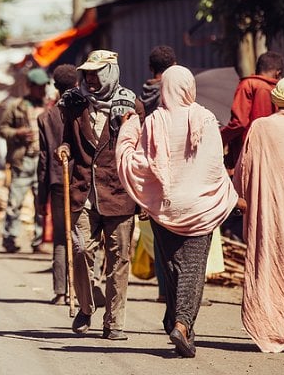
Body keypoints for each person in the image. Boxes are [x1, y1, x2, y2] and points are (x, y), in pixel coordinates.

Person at [116, 65, 239, 357]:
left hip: (166, 206)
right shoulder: (205, 119)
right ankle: (182, 325)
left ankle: (176, 322)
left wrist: (130, 126)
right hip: (200, 206)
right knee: (192, 272)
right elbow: (213, 167)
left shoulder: (155, 120)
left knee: (172, 269)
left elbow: (142, 162)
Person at [56, 49, 144, 341]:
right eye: (88, 73)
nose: (90, 79)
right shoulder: (74, 104)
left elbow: (140, 153)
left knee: (118, 260)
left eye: (96, 73)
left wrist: (143, 196)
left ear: (110, 72)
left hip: (119, 193)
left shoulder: (132, 106)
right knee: (80, 249)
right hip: (83, 191)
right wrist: (65, 148)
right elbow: (67, 139)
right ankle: (86, 305)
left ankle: (114, 322)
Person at [233, 76, 284, 354]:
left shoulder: (262, 127)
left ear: (276, 99)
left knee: (277, 267)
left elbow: (244, 167)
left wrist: (239, 196)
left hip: (274, 213)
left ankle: (282, 328)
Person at [139, 45, 177, 303]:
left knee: (159, 229)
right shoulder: (174, 95)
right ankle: (178, 288)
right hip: (175, 166)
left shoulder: (142, 98)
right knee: (179, 229)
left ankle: (164, 289)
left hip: (151, 166)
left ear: (151, 69)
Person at [0, 68, 51, 254]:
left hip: (42, 162)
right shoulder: (16, 106)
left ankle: (38, 241)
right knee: (15, 203)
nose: (42, 90)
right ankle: (10, 239)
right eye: (38, 87)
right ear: (29, 86)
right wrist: (18, 133)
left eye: (44, 86)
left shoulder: (49, 106)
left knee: (40, 204)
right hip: (22, 161)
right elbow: (3, 129)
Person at [37, 64, 77, 304]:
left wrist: (41, 198)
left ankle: (61, 292)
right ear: (76, 85)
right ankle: (85, 290)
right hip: (80, 181)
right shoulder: (83, 111)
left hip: (56, 183)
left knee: (61, 238)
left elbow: (43, 161)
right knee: (84, 236)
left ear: (55, 87)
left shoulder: (46, 117)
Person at [221, 51, 284, 169]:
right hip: (273, 152)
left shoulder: (248, 85)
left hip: (248, 152)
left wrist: (220, 137)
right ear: (278, 73)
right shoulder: (281, 90)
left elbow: (239, 122)